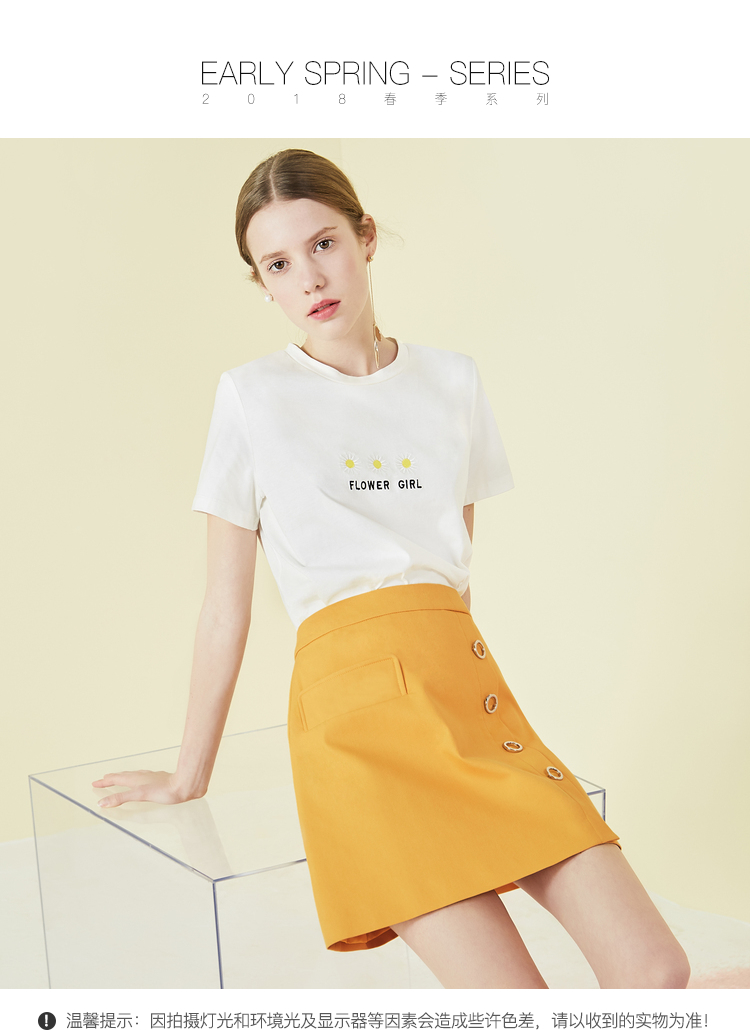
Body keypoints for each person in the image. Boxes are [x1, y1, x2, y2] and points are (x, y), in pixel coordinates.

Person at [92, 148, 690, 990]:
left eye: (323, 243)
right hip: (354, 726)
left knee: (657, 972)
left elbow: (455, 573)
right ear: (262, 284)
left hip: (465, 693)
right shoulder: (251, 397)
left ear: (365, 237)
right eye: (278, 264)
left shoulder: (452, 382)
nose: (309, 277)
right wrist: (192, 771)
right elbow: (225, 606)